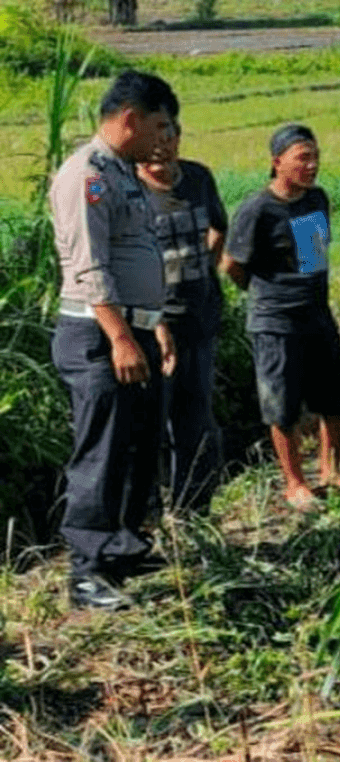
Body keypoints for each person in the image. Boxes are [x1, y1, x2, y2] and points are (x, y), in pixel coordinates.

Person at [49, 70, 178, 610]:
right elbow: (89, 266)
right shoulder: (87, 175)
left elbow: (136, 256)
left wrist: (154, 325)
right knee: (101, 449)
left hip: (133, 329)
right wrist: (122, 338)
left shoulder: (122, 173)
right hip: (100, 335)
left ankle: (122, 546)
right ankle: (87, 569)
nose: (165, 139)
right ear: (130, 119)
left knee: (136, 443)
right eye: (159, 126)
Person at [221, 124, 340, 509]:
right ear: (277, 163)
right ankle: (294, 482)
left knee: (336, 397)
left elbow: (314, 256)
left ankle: (331, 469)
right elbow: (232, 265)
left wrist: (305, 291)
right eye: (303, 158)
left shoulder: (316, 200)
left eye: (315, 157)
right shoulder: (257, 209)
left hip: (316, 311)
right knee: (282, 404)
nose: (312, 166)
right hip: (275, 320)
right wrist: (268, 293)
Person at [137, 120, 228, 516]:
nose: (161, 148)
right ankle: (148, 516)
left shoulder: (197, 178)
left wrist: (205, 268)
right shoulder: (130, 190)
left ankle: (194, 513)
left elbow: (219, 228)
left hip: (200, 318)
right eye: (153, 140)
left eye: (169, 137)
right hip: (154, 326)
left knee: (196, 419)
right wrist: (156, 322)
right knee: (151, 423)